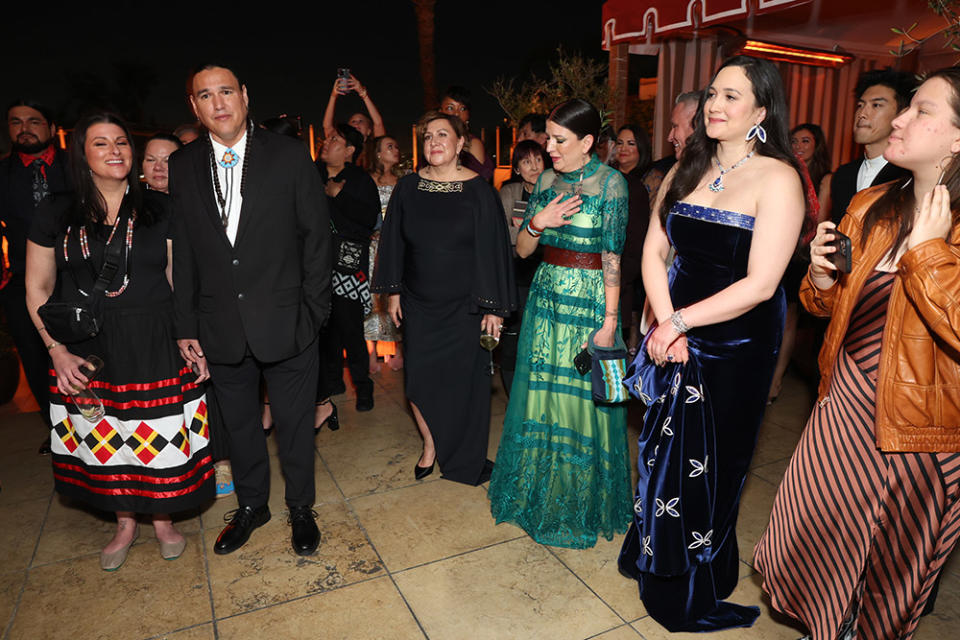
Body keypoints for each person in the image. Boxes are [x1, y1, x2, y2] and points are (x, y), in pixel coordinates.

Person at [754, 67, 960, 640]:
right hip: (843, 406)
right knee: (809, 539)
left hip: (920, 434)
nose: (898, 119)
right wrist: (820, 280)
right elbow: (828, 307)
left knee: (887, 580)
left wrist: (928, 255)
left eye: (921, 110)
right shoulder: (871, 204)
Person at [617, 55, 804, 632]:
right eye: (712, 94)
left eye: (731, 96)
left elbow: (763, 283)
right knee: (661, 450)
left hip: (737, 342)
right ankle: (656, 552)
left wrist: (679, 323)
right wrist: (665, 323)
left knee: (715, 463)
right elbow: (652, 252)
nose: (715, 106)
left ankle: (698, 574)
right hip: (675, 330)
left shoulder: (779, 178)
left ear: (761, 112)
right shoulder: (684, 168)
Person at [24, 113, 215, 570]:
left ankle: (164, 518)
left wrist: (191, 332)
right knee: (105, 435)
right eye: (101, 144)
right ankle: (125, 522)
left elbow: (176, 276)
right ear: (82, 155)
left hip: (155, 337)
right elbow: (37, 288)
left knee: (159, 432)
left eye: (122, 143)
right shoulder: (56, 211)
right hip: (87, 346)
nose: (115, 151)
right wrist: (56, 349)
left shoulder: (159, 208)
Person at [170, 63, 331, 557]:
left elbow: (317, 239)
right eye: (205, 95)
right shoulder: (183, 164)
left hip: (289, 320)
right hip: (220, 324)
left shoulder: (288, 155)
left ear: (244, 95)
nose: (217, 103)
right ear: (194, 108)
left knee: (294, 424)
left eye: (225, 91)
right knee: (239, 425)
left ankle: (300, 507)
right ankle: (252, 506)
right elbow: (187, 248)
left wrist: (314, 312)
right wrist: (186, 324)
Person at [488, 98, 633, 548]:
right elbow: (525, 252)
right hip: (546, 300)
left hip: (589, 302)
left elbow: (613, 256)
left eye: (558, 139)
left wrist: (609, 323)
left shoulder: (612, 185)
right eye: (548, 136)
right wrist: (537, 222)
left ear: (587, 142)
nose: (548, 146)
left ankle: (578, 500)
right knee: (541, 397)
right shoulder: (548, 180)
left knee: (580, 403)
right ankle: (538, 494)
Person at [372, 111, 515, 485]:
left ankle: (461, 453)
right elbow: (394, 242)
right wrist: (394, 292)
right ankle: (431, 444)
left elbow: (494, 251)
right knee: (419, 380)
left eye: (442, 135)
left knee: (463, 384)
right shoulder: (407, 187)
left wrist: (493, 309)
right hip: (418, 302)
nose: (434, 142)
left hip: (465, 307)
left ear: (460, 144)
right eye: (427, 136)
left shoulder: (480, 191)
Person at [0, 99, 70, 455]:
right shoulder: (2, 174)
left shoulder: (77, 165)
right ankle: (57, 427)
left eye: (33, 121)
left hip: (78, 274)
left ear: (49, 126)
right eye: (16, 122)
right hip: (24, 279)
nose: (24, 128)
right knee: (34, 353)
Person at [767, 123, 833, 403]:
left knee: (788, 317)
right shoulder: (783, 171)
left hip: (804, 253)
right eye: (794, 140)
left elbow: (822, 222)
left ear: (817, 146)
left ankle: (776, 380)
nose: (798, 146)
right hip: (776, 247)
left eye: (805, 141)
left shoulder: (826, 178)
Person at [316, 123, 379, 414]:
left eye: (334, 140)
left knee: (351, 328)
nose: (326, 143)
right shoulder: (312, 174)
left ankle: (363, 388)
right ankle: (331, 383)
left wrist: (339, 195)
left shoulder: (359, 179)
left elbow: (369, 219)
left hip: (348, 263)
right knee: (324, 329)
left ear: (350, 150)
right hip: (316, 263)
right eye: (327, 139)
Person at [821, 68, 917, 224]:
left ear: (902, 115)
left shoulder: (909, 177)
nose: (862, 114)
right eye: (860, 105)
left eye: (876, 105)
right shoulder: (843, 175)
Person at [497, 140, 549, 395]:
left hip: (547, 275)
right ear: (517, 168)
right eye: (526, 161)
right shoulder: (510, 192)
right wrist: (538, 229)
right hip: (516, 276)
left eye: (538, 159)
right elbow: (502, 233)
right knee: (513, 339)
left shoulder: (555, 190)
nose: (534, 166)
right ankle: (513, 397)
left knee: (542, 339)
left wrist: (525, 232)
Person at [613, 124, 653, 354]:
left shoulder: (639, 185)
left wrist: (622, 277)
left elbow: (636, 237)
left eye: (631, 143)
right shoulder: (611, 177)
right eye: (619, 143)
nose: (624, 149)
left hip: (628, 274)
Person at [365, 135, 403, 373]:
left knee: (396, 296)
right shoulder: (367, 180)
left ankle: (398, 350)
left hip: (397, 247)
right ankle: (371, 355)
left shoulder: (404, 180)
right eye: (390, 146)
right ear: (378, 153)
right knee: (372, 300)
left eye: (396, 145)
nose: (396, 149)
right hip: (373, 248)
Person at [643, 91, 700, 201]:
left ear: (696, 125)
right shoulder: (672, 172)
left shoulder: (720, 176)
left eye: (675, 126)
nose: (669, 137)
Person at [322, 72, 385, 169]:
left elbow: (378, 123)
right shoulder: (340, 145)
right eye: (353, 121)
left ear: (369, 131)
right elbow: (327, 126)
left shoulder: (374, 147)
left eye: (361, 121)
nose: (356, 124)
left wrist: (363, 93)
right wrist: (333, 96)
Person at [439, 86, 494, 180]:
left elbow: (477, 185)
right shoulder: (433, 143)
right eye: (450, 108)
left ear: (468, 114)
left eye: (462, 109)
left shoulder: (473, 144)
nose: (456, 113)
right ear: (440, 112)